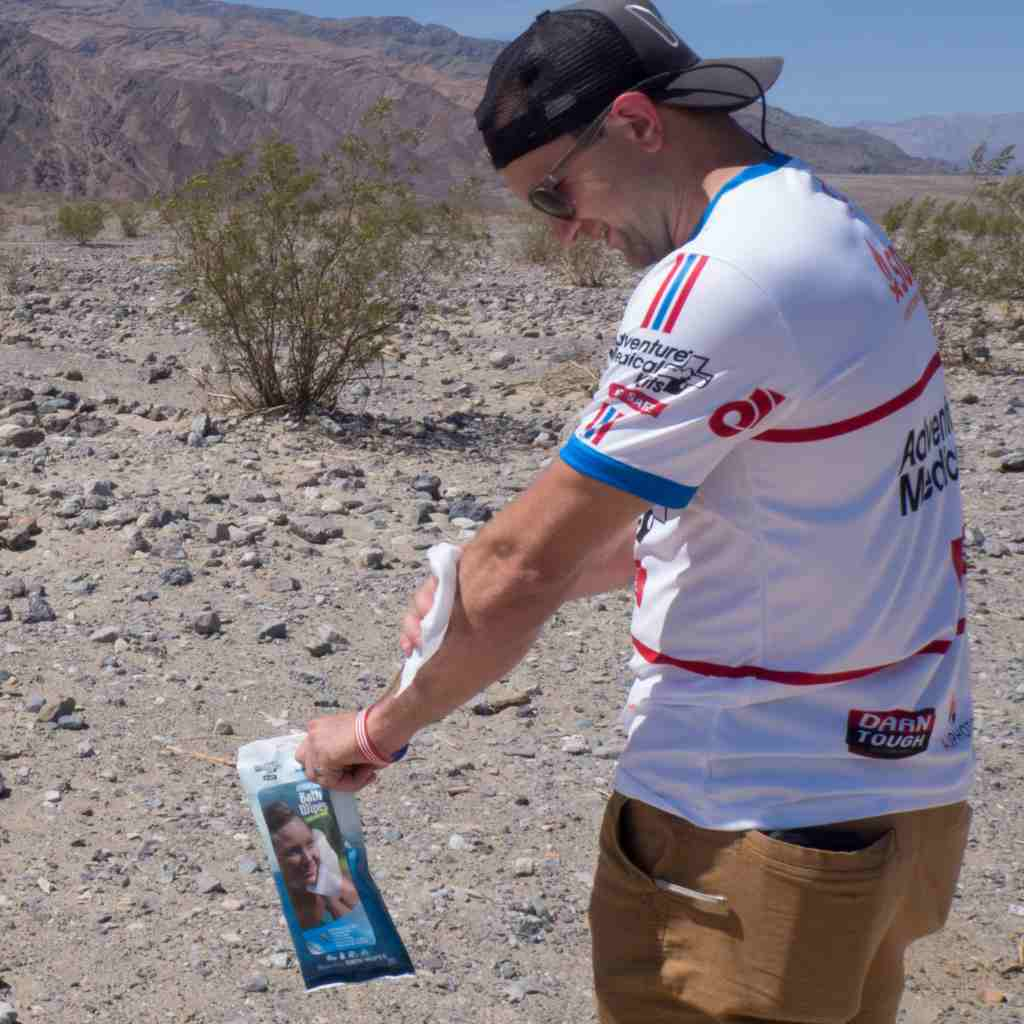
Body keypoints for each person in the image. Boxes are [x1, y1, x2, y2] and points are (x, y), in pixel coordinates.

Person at [296, 1, 974, 1020]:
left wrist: (376, 729)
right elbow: (794, 510)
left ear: (636, 123)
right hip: (895, 802)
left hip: (746, 826)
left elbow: (517, 564)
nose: (566, 231)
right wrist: (557, 573)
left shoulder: (719, 277)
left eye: (553, 192)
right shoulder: (825, 222)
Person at [262, 801, 359, 930]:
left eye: (310, 844)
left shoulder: (341, 889)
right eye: (293, 851)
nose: (308, 858)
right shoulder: (274, 906)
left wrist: (330, 900)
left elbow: (365, 931)